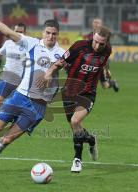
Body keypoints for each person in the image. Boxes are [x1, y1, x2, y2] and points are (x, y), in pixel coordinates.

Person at [0, 4, 65, 173]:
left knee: (7, 140)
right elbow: (7, 31)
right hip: (19, 97)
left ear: (58, 35)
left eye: (54, 34)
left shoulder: (62, 53)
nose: (51, 36)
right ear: (43, 32)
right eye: (48, 33)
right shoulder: (32, 44)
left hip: (37, 107)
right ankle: (5, 121)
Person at [40, 26, 112, 173]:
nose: (98, 46)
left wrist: (105, 75)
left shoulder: (107, 50)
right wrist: (49, 73)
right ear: (92, 36)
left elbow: (102, 64)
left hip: (88, 93)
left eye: (102, 44)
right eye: (96, 42)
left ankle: (77, 160)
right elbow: (61, 61)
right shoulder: (79, 46)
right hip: (69, 91)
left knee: (75, 121)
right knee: (76, 128)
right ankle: (91, 139)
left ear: (106, 43)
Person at [85, 18, 119, 92]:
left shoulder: (105, 37)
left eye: (98, 23)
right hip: (90, 61)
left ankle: (113, 83)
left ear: (101, 25)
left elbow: (106, 54)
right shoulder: (89, 35)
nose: (96, 24)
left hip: (100, 63)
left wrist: (107, 70)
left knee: (105, 85)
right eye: (94, 22)